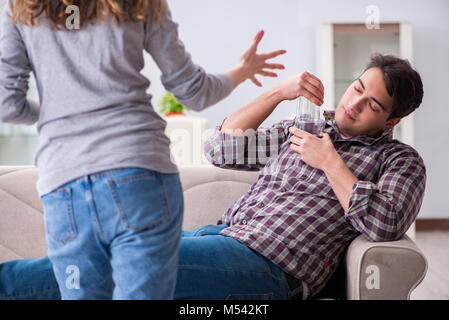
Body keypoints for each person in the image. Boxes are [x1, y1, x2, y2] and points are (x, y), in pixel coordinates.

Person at [0, 53, 425, 300]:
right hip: (220, 237)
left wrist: (330, 161)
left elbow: (384, 222)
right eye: (356, 89)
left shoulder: (399, 161)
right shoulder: (307, 129)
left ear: (391, 122)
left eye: (372, 105)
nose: (354, 104)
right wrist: (280, 93)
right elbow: (222, 148)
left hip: (271, 268)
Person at [0, 0, 287, 300]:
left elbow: (8, 104)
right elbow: (194, 91)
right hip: (139, 175)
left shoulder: (23, 7)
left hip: (64, 187)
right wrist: (242, 71)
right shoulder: (140, 4)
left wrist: (61, 112)